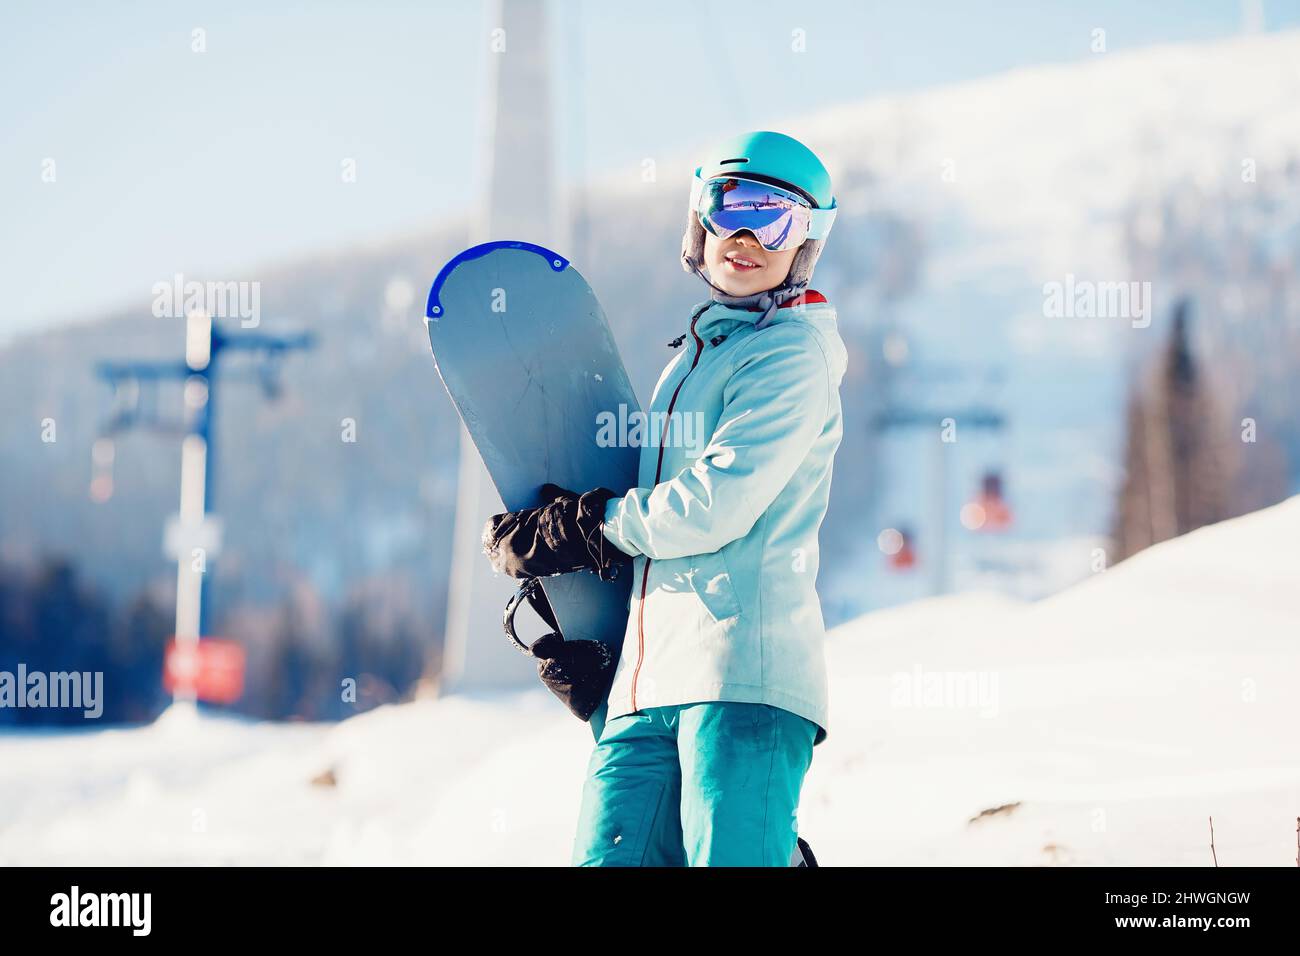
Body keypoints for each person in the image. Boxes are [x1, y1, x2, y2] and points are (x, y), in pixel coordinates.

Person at [483, 130, 847, 866]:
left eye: (775, 218)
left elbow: (714, 503)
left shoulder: (791, 357)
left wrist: (588, 527)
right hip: (646, 691)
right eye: (732, 206)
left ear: (805, 242)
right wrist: (617, 665)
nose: (746, 236)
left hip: (744, 679)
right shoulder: (692, 358)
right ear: (700, 219)